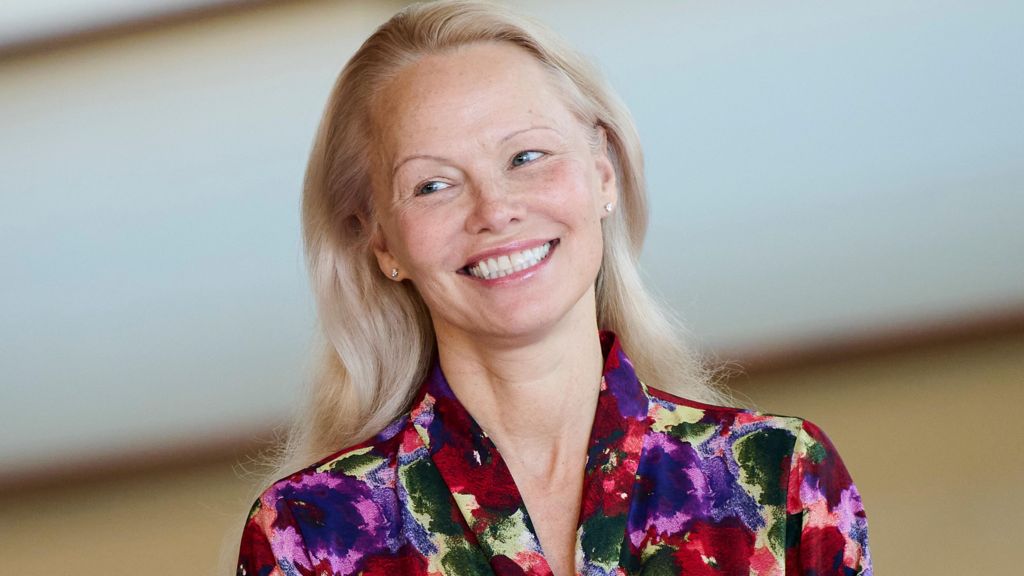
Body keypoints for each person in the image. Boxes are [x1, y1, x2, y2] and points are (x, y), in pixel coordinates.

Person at [235, 2, 871, 575]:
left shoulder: (779, 475)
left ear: (602, 176)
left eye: (527, 157)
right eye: (433, 185)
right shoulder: (308, 534)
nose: (495, 210)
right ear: (381, 243)